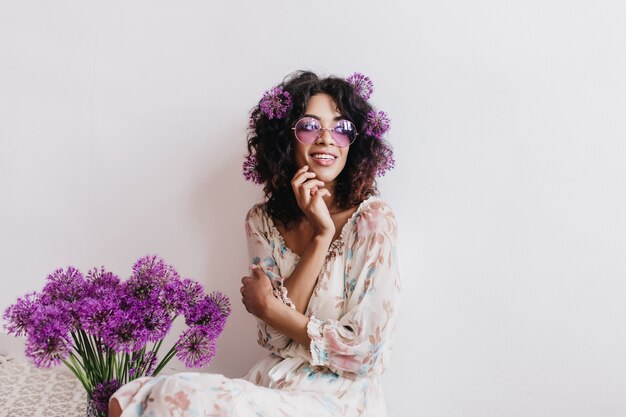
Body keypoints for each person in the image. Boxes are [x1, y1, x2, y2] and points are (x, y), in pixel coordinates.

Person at [109, 70, 401, 417]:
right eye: (310, 126)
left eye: (341, 128)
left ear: (355, 144)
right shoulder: (261, 221)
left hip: (338, 399)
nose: (326, 139)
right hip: (271, 383)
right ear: (286, 138)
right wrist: (321, 237)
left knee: (183, 396)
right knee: (139, 393)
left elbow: (364, 352)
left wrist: (273, 308)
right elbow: (275, 340)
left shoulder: (373, 220)